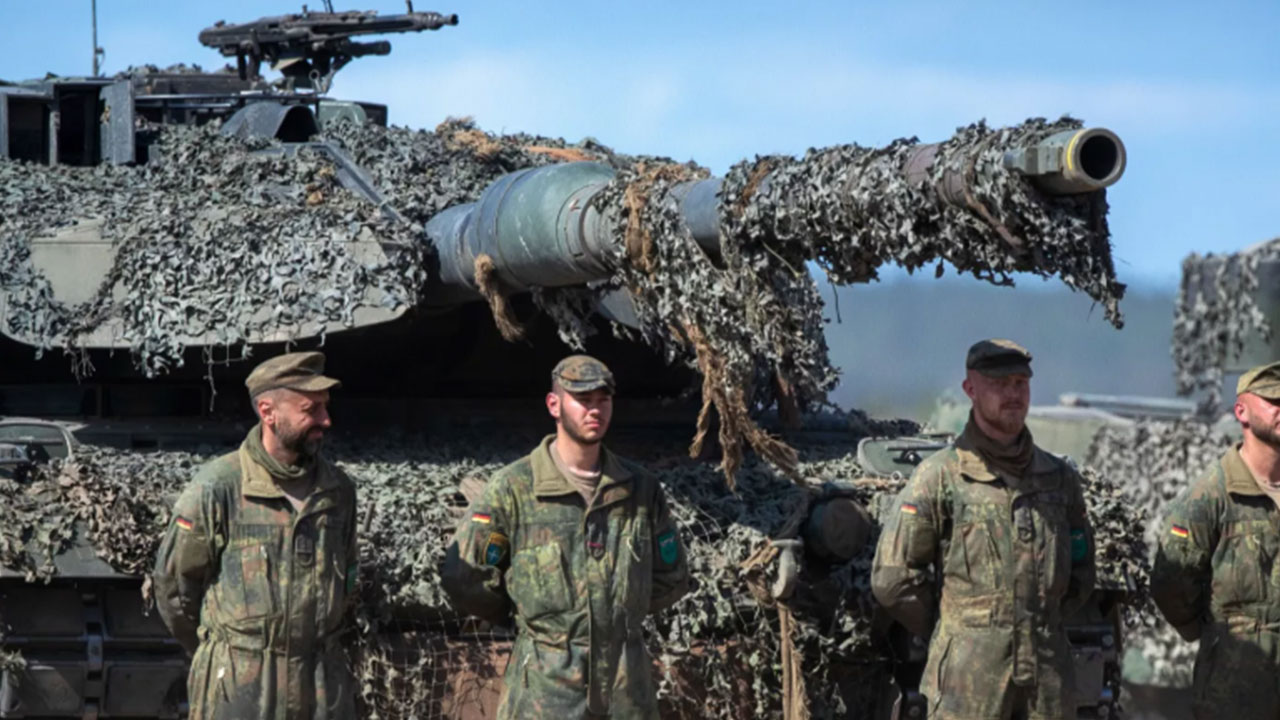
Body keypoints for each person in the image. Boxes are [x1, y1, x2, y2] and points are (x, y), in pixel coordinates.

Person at [441, 354, 690, 719]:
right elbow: (464, 577)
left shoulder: (640, 490)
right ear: (554, 405)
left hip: (625, 692)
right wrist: (528, 622)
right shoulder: (515, 489)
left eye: (603, 400)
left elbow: (670, 577)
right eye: (583, 400)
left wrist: (611, 618)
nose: (595, 410)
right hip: (545, 692)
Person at [871, 339, 1095, 720]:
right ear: (970, 389)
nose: (1013, 394)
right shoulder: (941, 475)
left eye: (1020, 383)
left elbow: (1080, 570)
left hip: (1048, 686)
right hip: (967, 686)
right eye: (999, 383)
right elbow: (892, 578)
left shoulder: (1059, 479)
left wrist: (1035, 619)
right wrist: (957, 628)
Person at [153, 351, 358, 719]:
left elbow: (348, 575)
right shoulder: (221, 487)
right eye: (311, 409)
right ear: (268, 412)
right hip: (241, 686)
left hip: (321, 686)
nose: (326, 420)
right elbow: (175, 587)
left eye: (326, 408)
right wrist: (222, 650)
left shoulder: (338, 490)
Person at [1151, 360, 1280, 719]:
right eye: (1274, 401)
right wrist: (1215, 637)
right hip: (1235, 684)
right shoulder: (1210, 498)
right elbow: (1170, 584)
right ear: (1241, 411)